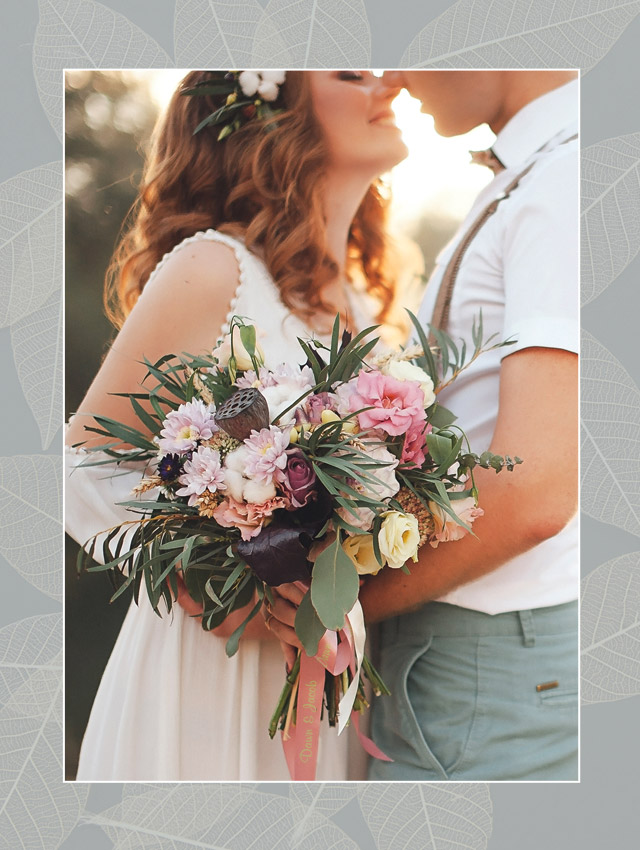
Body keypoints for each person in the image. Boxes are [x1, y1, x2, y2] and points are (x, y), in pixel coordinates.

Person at [65, 69, 409, 781]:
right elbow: (79, 464)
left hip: (327, 673)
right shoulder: (215, 269)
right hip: (210, 672)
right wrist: (211, 587)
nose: (389, 84)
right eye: (349, 74)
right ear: (271, 114)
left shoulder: (365, 307)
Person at [267, 71, 579, 781]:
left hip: (483, 663)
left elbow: (536, 493)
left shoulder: (561, 182)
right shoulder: (533, 176)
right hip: (472, 656)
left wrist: (338, 606)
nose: (396, 76)